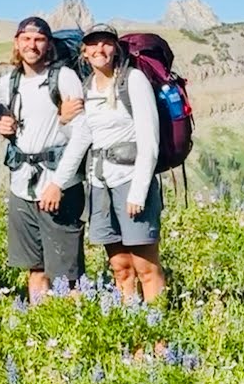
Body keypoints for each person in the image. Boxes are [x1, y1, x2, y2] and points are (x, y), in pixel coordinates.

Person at [46, 24, 164, 303]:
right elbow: (81, 139)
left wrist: (138, 192)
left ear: (115, 48)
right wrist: (57, 182)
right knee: (120, 267)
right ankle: (129, 323)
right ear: (84, 52)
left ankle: (158, 327)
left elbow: (150, 140)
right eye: (93, 44)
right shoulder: (88, 87)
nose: (100, 49)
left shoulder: (133, 80)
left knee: (145, 267)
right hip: (100, 185)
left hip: (130, 181)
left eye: (106, 43)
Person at [0, 17, 86, 303]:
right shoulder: (8, 82)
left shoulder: (64, 77)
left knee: (66, 274)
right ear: (17, 42)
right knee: (34, 268)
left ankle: (70, 323)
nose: (31, 45)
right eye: (26, 39)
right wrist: (3, 126)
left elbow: (81, 135)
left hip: (58, 184)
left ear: (48, 44)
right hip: (22, 185)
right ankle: (38, 322)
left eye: (39, 39)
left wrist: (58, 184)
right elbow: (12, 124)